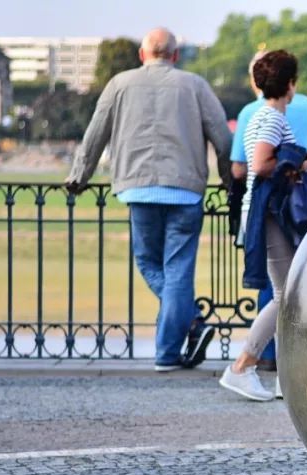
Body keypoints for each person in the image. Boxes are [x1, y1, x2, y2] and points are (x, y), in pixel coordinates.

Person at [65, 27, 231, 371]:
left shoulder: (120, 84)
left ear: (142, 55)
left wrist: (80, 176)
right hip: (185, 189)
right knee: (178, 270)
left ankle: (182, 336)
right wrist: (230, 181)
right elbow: (222, 138)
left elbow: (95, 134)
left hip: (138, 187)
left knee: (148, 262)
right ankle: (178, 338)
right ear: (175, 55)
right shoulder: (194, 85)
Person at [219, 50, 307, 401]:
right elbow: (260, 164)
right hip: (269, 214)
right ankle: (243, 365)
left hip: (263, 212)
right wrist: (299, 162)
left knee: (287, 294)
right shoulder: (272, 117)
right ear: (290, 85)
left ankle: (282, 378)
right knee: (286, 295)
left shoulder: (260, 115)